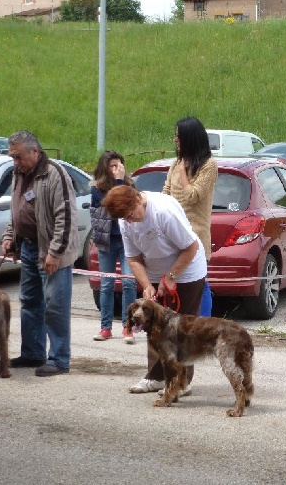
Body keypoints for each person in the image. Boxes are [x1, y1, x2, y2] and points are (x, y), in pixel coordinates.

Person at [101, 185, 206, 395]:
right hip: (157, 273)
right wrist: (148, 284)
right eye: (125, 218)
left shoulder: (163, 211)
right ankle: (156, 377)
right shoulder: (125, 220)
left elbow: (191, 247)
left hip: (186, 270)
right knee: (155, 328)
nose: (129, 221)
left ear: (139, 199)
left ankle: (182, 382)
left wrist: (172, 276)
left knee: (181, 329)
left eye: (131, 215)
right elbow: (133, 257)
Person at [1, 130, 78, 377]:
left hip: (51, 251)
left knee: (55, 305)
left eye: (18, 156)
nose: (15, 162)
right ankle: (33, 352)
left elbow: (65, 218)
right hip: (28, 247)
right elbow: (17, 210)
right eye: (12, 157)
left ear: (35, 151)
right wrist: (9, 237)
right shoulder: (19, 174)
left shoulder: (55, 174)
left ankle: (59, 359)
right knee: (30, 301)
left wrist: (54, 253)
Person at [163, 116, 218, 317]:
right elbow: (166, 192)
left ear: (189, 138)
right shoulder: (176, 162)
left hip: (196, 235)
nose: (175, 139)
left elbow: (192, 196)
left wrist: (184, 171)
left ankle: (202, 327)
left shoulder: (209, 166)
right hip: (173, 234)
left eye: (178, 136)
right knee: (177, 283)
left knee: (200, 283)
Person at [90, 150, 137, 343]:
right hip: (107, 242)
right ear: (105, 168)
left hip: (126, 242)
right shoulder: (96, 189)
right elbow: (113, 208)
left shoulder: (130, 186)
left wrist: (121, 182)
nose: (117, 169)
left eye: (119, 165)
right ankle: (105, 327)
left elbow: (129, 209)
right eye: (112, 166)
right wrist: (118, 183)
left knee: (128, 282)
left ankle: (129, 327)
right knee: (107, 285)